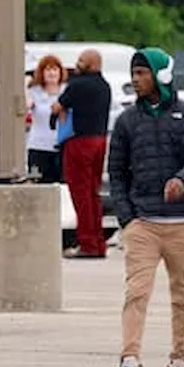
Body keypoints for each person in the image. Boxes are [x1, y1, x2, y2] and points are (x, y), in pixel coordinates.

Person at [105, 48, 184, 367]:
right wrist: (128, 219)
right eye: (134, 73)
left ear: (162, 76)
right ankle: (130, 364)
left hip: (183, 222)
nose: (136, 79)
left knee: (182, 296)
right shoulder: (126, 122)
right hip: (143, 223)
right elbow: (116, 173)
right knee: (137, 293)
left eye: (143, 73)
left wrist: (182, 179)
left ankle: (180, 364)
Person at [54, 48, 113, 258]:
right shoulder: (105, 86)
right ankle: (98, 243)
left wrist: (58, 109)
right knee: (93, 192)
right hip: (100, 140)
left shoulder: (78, 85)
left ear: (89, 64)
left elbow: (57, 106)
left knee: (80, 193)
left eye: (80, 60)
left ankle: (87, 244)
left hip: (79, 141)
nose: (77, 64)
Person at [25, 54, 67, 184]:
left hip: (61, 146)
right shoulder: (35, 91)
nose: (51, 73)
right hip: (39, 146)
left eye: (54, 69)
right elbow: (27, 105)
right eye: (47, 70)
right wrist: (25, 85)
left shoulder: (66, 91)